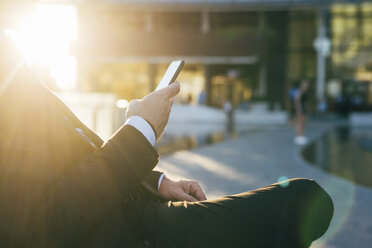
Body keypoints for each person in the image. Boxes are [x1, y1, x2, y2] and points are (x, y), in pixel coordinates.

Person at [0, 3, 333, 248]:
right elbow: (39, 226)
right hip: (134, 232)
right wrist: (140, 130)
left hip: (140, 207)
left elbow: (71, 152)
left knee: (305, 200)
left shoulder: (10, 56)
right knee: (302, 201)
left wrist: (154, 181)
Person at [294, 79, 310, 145]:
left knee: (303, 123)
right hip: (301, 109)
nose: (306, 87)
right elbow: (297, 101)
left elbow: (306, 102)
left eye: (307, 86)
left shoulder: (304, 93)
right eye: (304, 86)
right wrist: (298, 111)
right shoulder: (299, 92)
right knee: (300, 123)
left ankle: (301, 136)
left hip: (304, 109)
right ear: (302, 86)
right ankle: (298, 136)